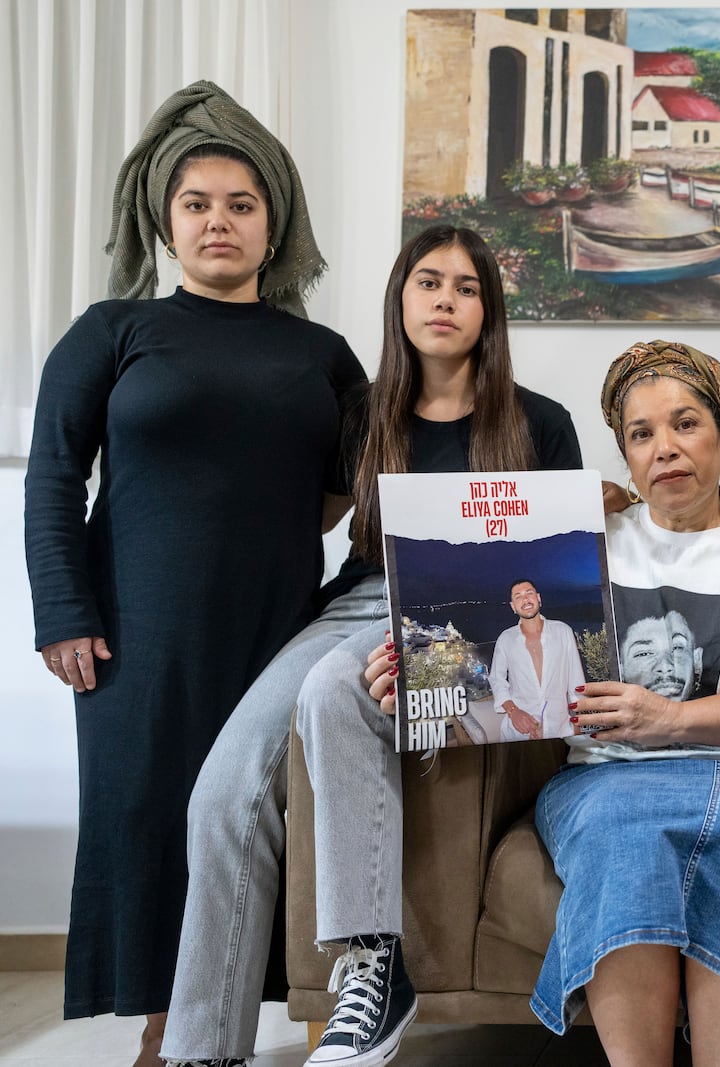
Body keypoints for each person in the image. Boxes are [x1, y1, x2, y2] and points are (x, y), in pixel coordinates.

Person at [158, 225, 580, 1067]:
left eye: (467, 287)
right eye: (429, 282)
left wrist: (433, 653)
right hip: (354, 603)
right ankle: (203, 1049)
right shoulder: (360, 415)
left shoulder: (541, 422)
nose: (446, 300)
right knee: (221, 795)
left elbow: (555, 581)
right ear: (402, 299)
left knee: (331, 688)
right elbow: (291, 516)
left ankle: (375, 963)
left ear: (488, 311)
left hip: (467, 618)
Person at [23, 80, 365, 1067]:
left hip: (275, 627)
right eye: (198, 204)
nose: (219, 221)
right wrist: (62, 610)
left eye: (241, 204)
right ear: (166, 223)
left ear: (274, 226)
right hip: (135, 625)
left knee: (257, 818)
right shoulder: (111, 331)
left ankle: (255, 1011)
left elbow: (351, 483)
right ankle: (169, 1025)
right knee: (146, 812)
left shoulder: (323, 354)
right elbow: (53, 474)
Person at [509, 340, 720, 1066]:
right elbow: (495, 634)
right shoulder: (580, 542)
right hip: (604, 775)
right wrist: (416, 671)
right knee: (621, 830)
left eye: (686, 424)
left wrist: (673, 719)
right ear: (625, 457)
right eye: (641, 433)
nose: (664, 447)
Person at [490, 578, 587, 741]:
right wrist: (514, 712)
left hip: (561, 727)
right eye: (518, 596)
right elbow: (496, 679)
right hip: (519, 729)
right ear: (513, 607)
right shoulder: (505, 639)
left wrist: (579, 723)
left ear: (539, 598)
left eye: (529, 593)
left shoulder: (563, 631)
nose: (525, 599)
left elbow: (576, 681)